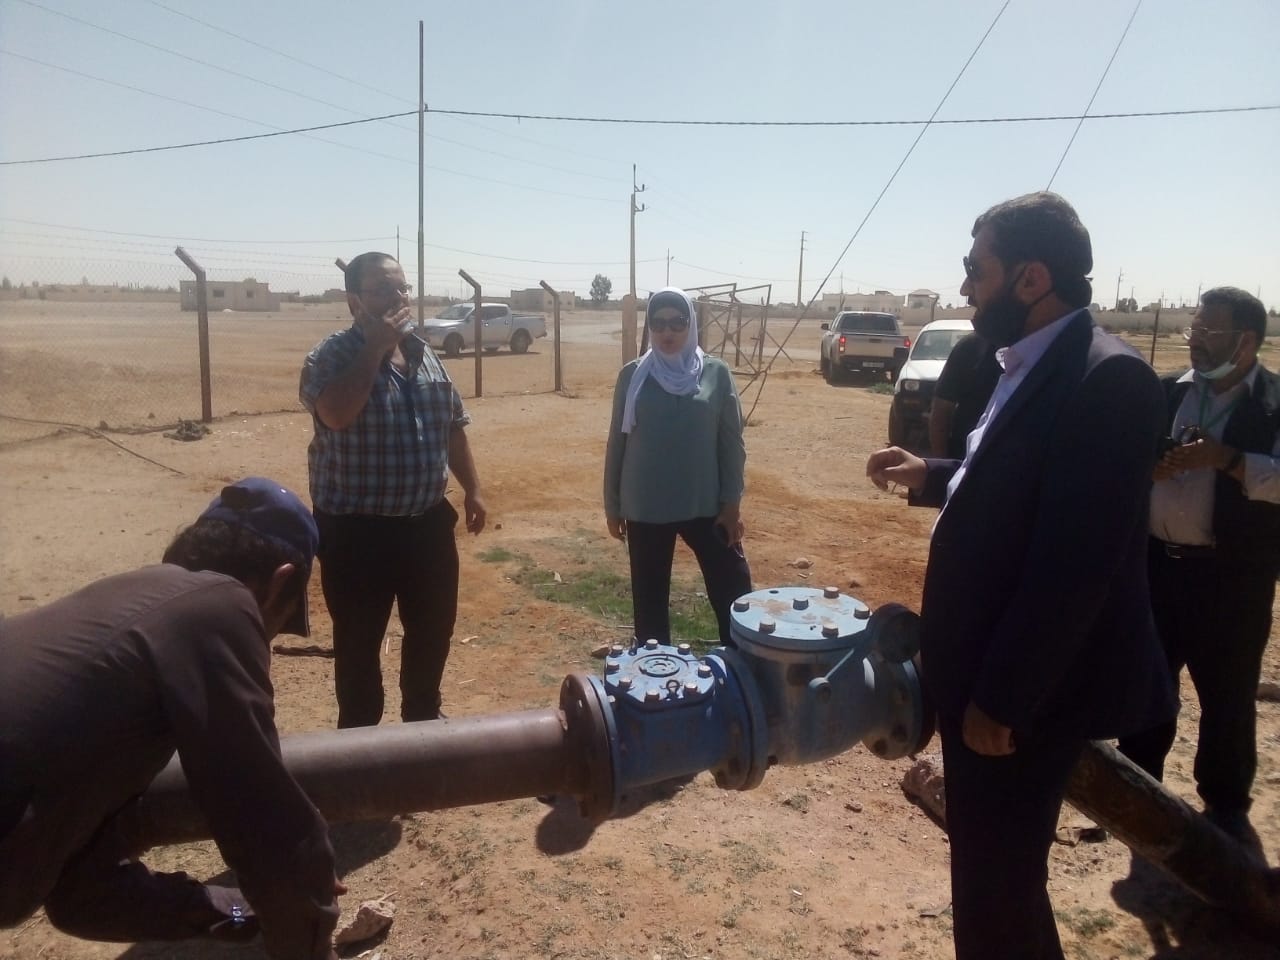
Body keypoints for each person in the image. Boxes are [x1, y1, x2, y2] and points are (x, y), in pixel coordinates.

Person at [865, 192, 1176, 960]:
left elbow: (1075, 566)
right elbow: (1011, 484)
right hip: (981, 675)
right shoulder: (1025, 362)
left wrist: (1002, 699)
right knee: (988, 879)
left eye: (977, 270)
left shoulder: (1109, 379)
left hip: (1025, 697)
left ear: (1032, 278)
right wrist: (931, 472)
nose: (965, 287)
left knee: (999, 888)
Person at [0, 478, 343, 959]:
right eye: (281, 621)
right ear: (280, 581)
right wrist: (307, 912)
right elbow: (261, 817)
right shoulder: (219, 604)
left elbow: (83, 896)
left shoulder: (118, 618)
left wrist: (244, 911)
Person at [1119, 286, 1279, 851]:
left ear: (1246, 341)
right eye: (1194, 329)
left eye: (1209, 332)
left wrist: (1227, 459)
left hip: (1232, 577)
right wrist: (1149, 469)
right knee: (1147, 684)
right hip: (1158, 568)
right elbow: (1127, 460)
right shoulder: (1166, 392)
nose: (1195, 341)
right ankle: (1137, 796)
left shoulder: (1272, 404)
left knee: (1228, 695)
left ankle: (1225, 810)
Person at [300, 251, 486, 728]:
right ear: (354, 302)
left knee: (432, 634)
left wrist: (473, 489)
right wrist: (373, 349)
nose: (397, 298)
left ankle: (421, 727)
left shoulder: (425, 354)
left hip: (427, 527)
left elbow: (452, 425)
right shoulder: (330, 356)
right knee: (359, 645)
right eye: (383, 290)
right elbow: (336, 414)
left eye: (402, 288)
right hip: (356, 535)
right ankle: (361, 745)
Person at [604, 286, 751, 647]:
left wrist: (732, 503)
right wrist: (613, 505)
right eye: (658, 324)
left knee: (734, 589)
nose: (667, 332)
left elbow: (731, 444)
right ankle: (656, 671)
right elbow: (617, 442)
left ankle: (743, 666)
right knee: (650, 605)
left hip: (705, 504)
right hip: (646, 507)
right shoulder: (633, 376)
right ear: (650, 328)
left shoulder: (715, 374)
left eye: (677, 322)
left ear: (691, 325)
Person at [928, 331, 1001, 458]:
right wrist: (941, 463)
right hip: (965, 455)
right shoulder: (971, 346)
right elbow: (941, 409)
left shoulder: (1036, 353)